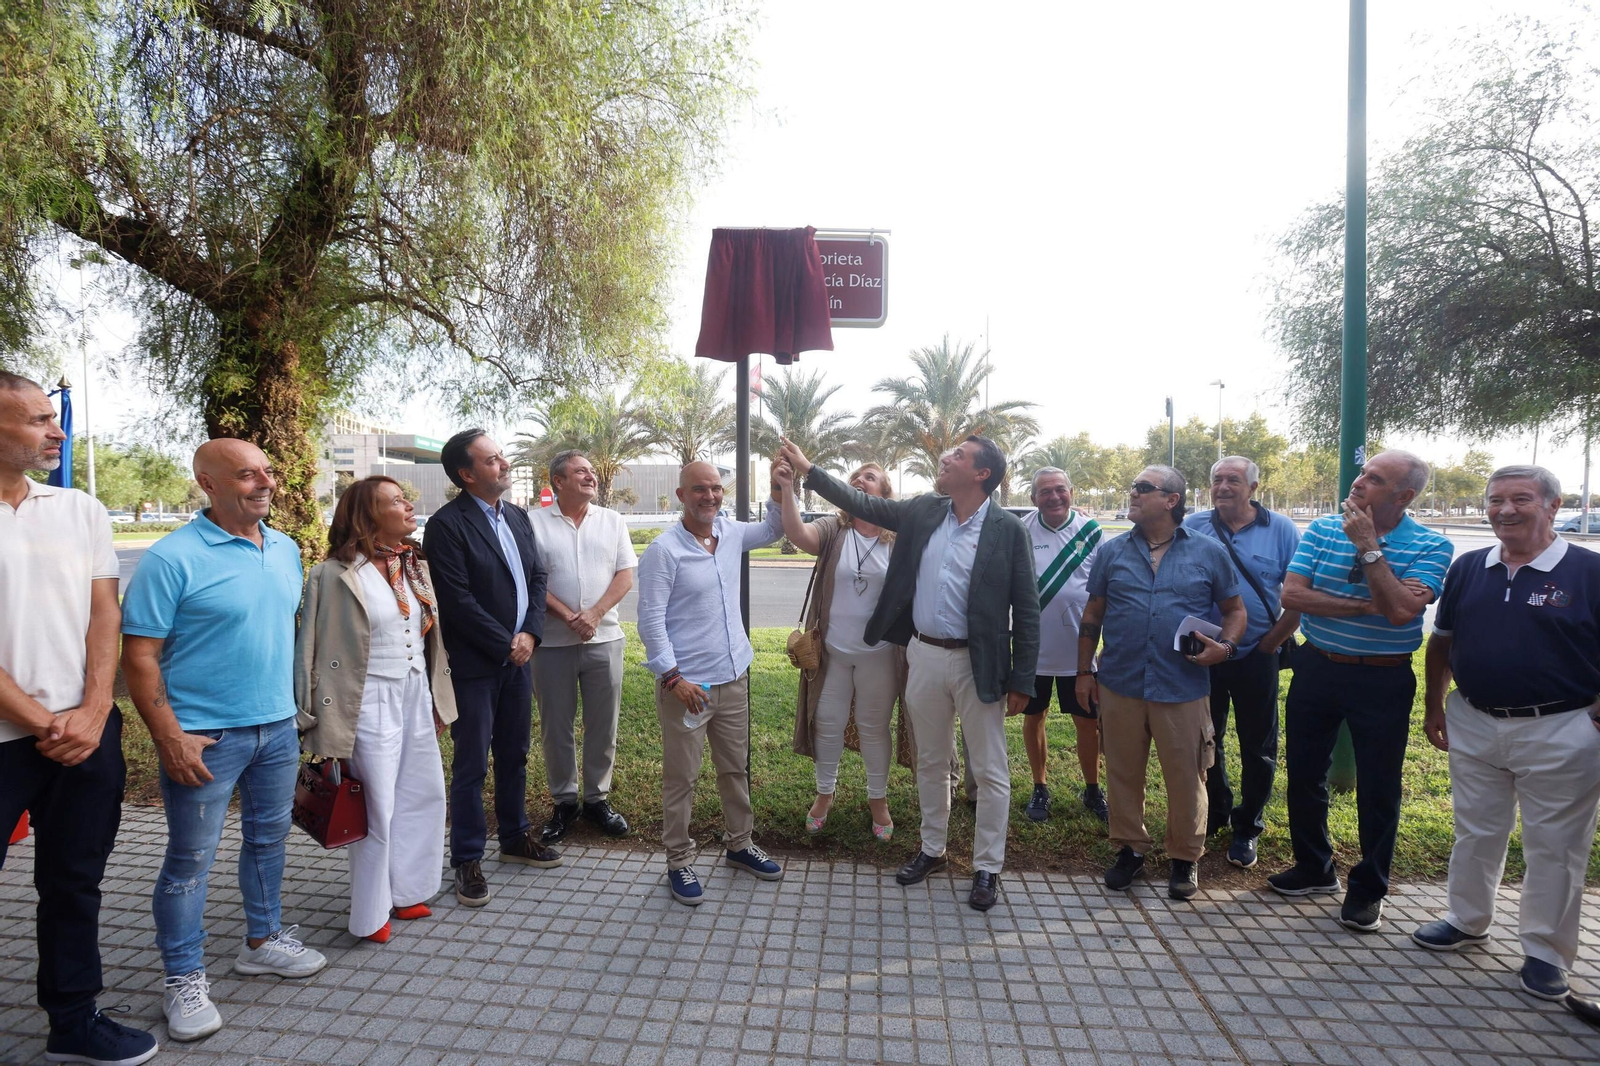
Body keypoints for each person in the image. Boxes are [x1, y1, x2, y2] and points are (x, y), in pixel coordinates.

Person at [122, 438, 329, 1044]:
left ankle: (263, 941)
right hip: (205, 737)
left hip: (276, 727)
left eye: (267, 470)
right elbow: (139, 657)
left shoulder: (286, 549)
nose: (264, 482)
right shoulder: (172, 558)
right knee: (189, 862)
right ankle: (183, 977)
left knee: (267, 842)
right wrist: (170, 738)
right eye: (246, 474)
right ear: (208, 484)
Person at [779, 435, 1039, 913]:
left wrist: (1023, 679)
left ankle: (988, 868)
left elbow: (1027, 608)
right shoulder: (924, 511)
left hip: (977, 663)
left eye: (958, 456)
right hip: (922, 655)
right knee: (931, 762)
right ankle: (932, 850)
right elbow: (858, 501)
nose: (946, 458)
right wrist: (809, 471)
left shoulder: (1007, 529)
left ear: (982, 474)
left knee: (989, 768)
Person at [0, 372, 158, 1065]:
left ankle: (73, 1019)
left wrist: (96, 709)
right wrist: (43, 720)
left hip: (84, 734)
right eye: (38, 420)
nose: (57, 431)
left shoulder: (79, 509)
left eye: (51, 418)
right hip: (15, 736)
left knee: (73, 882)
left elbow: (105, 614)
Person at [1412, 465, 1600, 1003]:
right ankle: (1467, 919)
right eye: (1496, 499)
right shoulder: (1471, 566)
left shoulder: (1589, 572)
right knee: (1476, 829)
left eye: (1521, 498)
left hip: (1562, 728)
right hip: (1473, 720)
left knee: (1557, 845)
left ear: (1553, 505)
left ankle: (1545, 953)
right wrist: (1434, 707)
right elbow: (1442, 642)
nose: (1505, 510)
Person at [1271, 450, 1452, 932]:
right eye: (1362, 473)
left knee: (1379, 786)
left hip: (1383, 677)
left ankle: (1369, 888)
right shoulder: (1324, 529)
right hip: (1317, 665)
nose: (1358, 482)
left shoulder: (1432, 546)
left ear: (1404, 495)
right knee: (1305, 772)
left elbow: (1401, 614)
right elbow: (1292, 596)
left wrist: (1370, 548)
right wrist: (1368, 606)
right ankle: (1314, 867)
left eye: (1374, 479)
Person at [296, 476, 456, 944]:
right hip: (363, 699)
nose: (410, 505)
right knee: (377, 804)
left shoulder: (414, 565)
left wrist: (436, 701)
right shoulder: (332, 574)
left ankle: (409, 889)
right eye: (396, 501)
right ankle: (370, 913)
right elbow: (309, 647)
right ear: (368, 516)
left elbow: (429, 641)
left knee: (422, 793)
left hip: (413, 691)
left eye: (406, 497)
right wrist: (311, 716)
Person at [1077, 465, 1246, 901]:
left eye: (1142, 488)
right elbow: (1092, 617)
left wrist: (1224, 648)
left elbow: (1235, 611)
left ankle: (1184, 857)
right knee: (1122, 772)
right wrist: (1083, 673)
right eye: (1133, 486)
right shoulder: (1112, 552)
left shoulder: (1208, 552)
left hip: (1182, 686)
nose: (1132, 493)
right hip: (1120, 683)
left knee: (1188, 776)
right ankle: (1130, 849)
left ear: (1171, 500)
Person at [638, 461, 788, 906]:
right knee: (682, 777)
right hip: (688, 687)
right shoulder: (664, 551)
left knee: (734, 769)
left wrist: (781, 488)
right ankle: (678, 860)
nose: (710, 496)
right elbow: (650, 621)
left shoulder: (731, 532)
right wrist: (672, 677)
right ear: (681, 495)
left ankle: (740, 845)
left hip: (734, 677)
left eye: (716, 489)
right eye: (699, 490)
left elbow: (774, 530)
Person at [423, 429, 558, 907]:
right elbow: (456, 601)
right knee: (471, 764)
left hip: (519, 659)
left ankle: (516, 836)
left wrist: (530, 635)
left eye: (501, 456)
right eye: (492, 459)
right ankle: (467, 858)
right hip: (477, 665)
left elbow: (538, 577)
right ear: (466, 474)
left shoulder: (517, 516)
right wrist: (506, 642)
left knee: (515, 753)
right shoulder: (446, 525)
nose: (504, 463)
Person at [772, 459, 905, 840]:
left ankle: (877, 800)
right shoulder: (835, 529)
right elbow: (798, 534)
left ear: (884, 492)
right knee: (827, 722)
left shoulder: (898, 536)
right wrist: (786, 489)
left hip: (880, 654)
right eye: (855, 478)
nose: (860, 481)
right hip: (832, 653)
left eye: (870, 477)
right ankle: (824, 794)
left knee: (873, 727)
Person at [1182, 456, 1302, 869]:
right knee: (1205, 740)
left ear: (1253, 487)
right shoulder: (1193, 526)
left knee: (1259, 745)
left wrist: (1270, 644)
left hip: (1256, 656)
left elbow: (1299, 595)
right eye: (1217, 479)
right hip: (1202, 656)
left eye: (1233, 479)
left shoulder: (1282, 530)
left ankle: (1248, 825)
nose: (1223, 486)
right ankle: (1215, 812)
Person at [528, 451, 635, 845]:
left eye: (592, 471)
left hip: (604, 638)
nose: (591, 476)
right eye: (581, 472)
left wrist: (594, 614)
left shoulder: (612, 520)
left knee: (603, 724)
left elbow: (625, 573)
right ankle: (564, 801)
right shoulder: (533, 523)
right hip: (551, 643)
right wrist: (569, 616)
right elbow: (530, 579)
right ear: (558, 481)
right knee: (556, 726)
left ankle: (597, 799)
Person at [1018, 467, 1106, 823]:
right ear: (1033, 498)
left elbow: (1105, 591)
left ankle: (1092, 788)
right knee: (1033, 716)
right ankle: (1040, 787)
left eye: (1060, 490)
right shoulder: (1021, 530)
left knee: (1087, 722)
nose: (1053, 497)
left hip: (1079, 652)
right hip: (1033, 649)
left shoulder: (1092, 531)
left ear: (1072, 491)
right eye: (1044, 491)